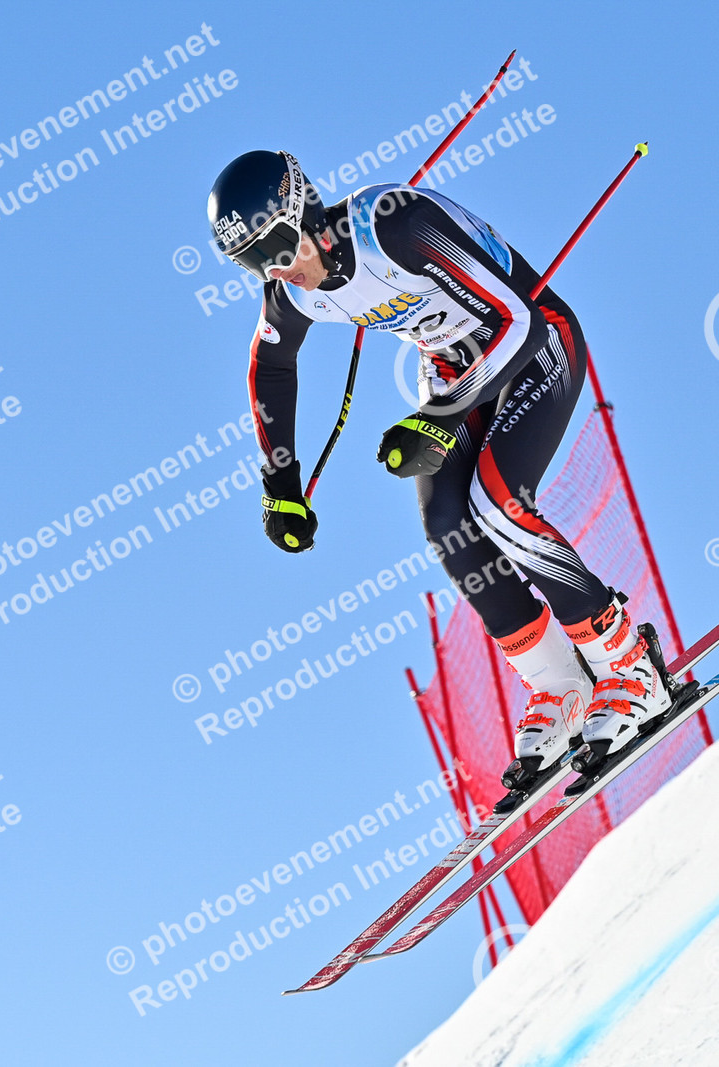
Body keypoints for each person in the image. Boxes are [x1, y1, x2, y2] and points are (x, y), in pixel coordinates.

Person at [207, 149, 669, 789]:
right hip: (455, 375)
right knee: (448, 524)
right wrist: (280, 486)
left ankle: (627, 664)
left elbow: (518, 319)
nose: (279, 269)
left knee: (497, 503)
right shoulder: (291, 292)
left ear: (305, 210)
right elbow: (270, 368)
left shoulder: (394, 224)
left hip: (534, 346)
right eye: (254, 262)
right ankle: (560, 683)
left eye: (279, 247)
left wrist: (442, 416)